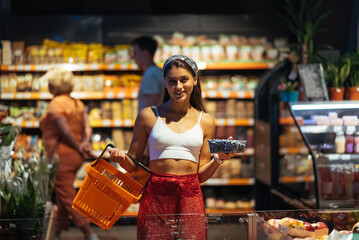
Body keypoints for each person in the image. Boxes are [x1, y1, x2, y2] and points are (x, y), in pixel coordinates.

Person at [109, 54, 234, 239]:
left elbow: (200, 176)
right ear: (165, 84)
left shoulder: (206, 121)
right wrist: (120, 157)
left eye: (184, 80)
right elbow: (132, 165)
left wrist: (218, 159)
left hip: (190, 195)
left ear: (195, 80)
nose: (178, 87)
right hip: (156, 195)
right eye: (172, 81)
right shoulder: (148, 116)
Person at [39, 68, 99, 240]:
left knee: (67, 196)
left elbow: (64, 131)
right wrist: (84, 144)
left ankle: (89, 233)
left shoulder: (56, 103)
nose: (48, 86)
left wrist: (78, 146)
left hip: (61, 156)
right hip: (75, 156)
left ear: (55, 85)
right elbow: (88, 126)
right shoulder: (76, 103)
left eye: (50, 82)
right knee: (62, 195)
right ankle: (56, 233)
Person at [131, 35, 165, 113]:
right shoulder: (158, 71)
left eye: (135, 52)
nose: (133, 56)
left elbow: (151, 108)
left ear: (145, 53)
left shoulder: (151, 74)